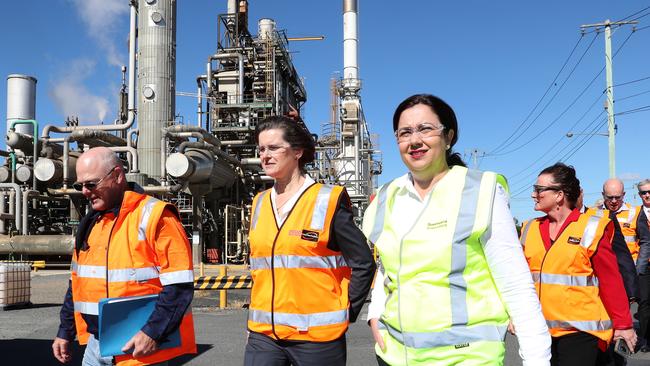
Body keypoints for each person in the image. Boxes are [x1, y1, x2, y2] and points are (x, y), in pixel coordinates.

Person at [363, 94, 551, 365]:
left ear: (448, 137)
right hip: (394, 355)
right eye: (404, 133)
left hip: (465, 356)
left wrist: (537, 360)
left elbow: (516, 284)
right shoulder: (386, 196)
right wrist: (375, 312)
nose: (414, 140)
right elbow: (386, 268)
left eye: (425, 129)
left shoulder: (480, 191)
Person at [244, 115, 376, 366]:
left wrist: (346, 312)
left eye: (273, 148)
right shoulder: (259, 203)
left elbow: (364, 263)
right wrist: (252, 325)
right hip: (264, 335)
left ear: (297, 152)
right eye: (261, 149)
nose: (265, 155)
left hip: (317, 339)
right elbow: (261, 271)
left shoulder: (328, 200)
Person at [52, 147, 196, 365]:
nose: (84, 192)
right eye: (79, 185)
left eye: (91, 184)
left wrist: (153, 333)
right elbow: (77, 283)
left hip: (140, 350)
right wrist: (65, 331)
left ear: (118, 175)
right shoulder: (91, 223)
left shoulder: (156, 216)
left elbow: (179, 286)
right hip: (96, 346)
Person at [520, 163, 636, 365]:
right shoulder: (529, 228)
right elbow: (519, 280)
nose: (533, 195)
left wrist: (624, 324)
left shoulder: (591, 227)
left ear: (559, 195)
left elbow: (610, 280)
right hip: (539, 330)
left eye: (539, 190)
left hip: (580, 332)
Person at [636, 179, 650, 352]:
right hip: (644, 265)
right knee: (644, 302)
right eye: (643, 192)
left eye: (649, 192)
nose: (647, 195)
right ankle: (646, 340)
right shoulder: (636, 214)